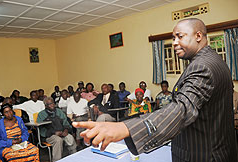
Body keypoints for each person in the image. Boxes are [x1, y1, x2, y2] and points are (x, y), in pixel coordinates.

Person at [73, 18, 237, 162]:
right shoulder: (215, 60)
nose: (174, 42)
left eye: (180, 36)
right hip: (218, 148)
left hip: (202, 154)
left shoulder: (202, 67)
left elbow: (182, 109)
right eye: (173, 38)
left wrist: (124, 128)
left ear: (199, 36)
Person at [37, 97, 76, 162]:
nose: (52, 105)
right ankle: (57, 160)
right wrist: (54, 133)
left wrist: (66, 130)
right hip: (49, 136)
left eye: (52, 103)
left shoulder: (59, 111)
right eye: (49, 104)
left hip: (62, 132)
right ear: (45, 106)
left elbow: (66, 122)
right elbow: (41, 130)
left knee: (70, 138)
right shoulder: (41, 114)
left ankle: (74, 157)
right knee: (58, 140)